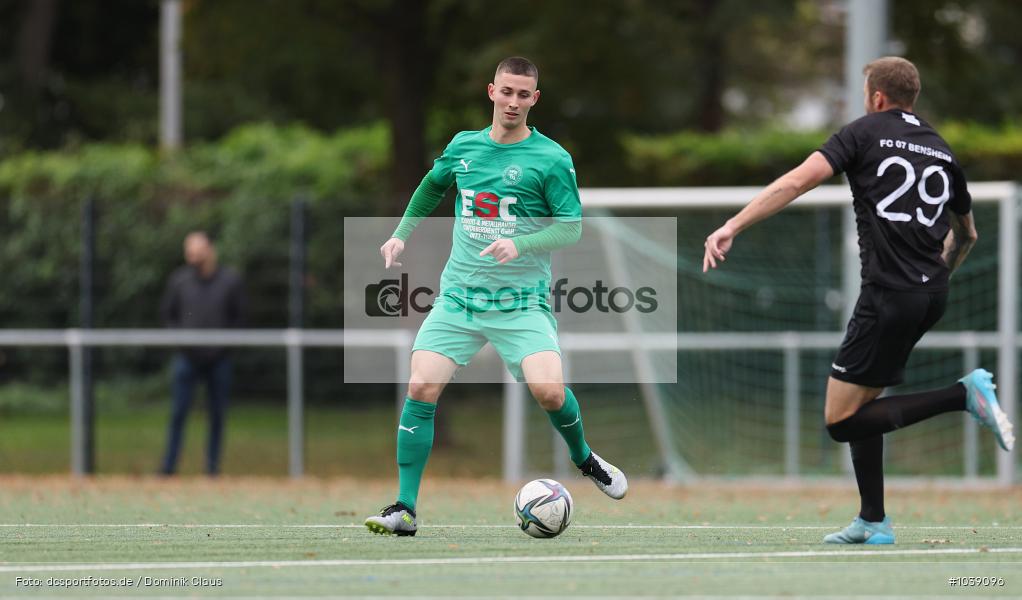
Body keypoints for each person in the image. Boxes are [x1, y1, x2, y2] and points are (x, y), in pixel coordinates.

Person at [702, 57, 1014, 544]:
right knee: (863, 397)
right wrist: (936, 275)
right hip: (932, 294)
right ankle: (874, 519)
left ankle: (963, 395)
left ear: (876, 97)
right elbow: (967, 233)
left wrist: (731, 225)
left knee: (840, 420)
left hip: (888, 296)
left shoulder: (864, 132)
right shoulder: (940, 149)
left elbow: (798, 180)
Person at [364, 56, 627, 537]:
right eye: (506, 91)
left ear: (534, 100)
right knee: (421, 388)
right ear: (491, 91)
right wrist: (401, 233)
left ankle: (584, 458)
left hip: (521, 303)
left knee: (549, 391)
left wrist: (520, 243)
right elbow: (431, 185)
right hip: (458, 299)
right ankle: (404, 509)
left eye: (523, 94)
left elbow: (571, 228)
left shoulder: (551, 158)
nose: (513, 102)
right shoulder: (464, 146)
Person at [158, 231, 245, 476]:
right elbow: (168, 316)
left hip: (219, 360)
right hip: (187, 358)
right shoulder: (179, 281)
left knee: (217, 415)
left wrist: (222, 348)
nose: (193, 257)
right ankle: (168, 468)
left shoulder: (230, 280)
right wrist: (182, 343)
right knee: (178, 413)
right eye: (189, 252)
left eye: (197, 251)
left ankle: (212, 469)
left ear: (210, 250)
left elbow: (239, 318)